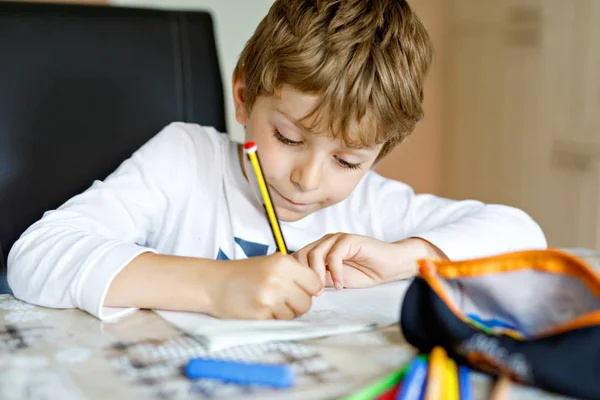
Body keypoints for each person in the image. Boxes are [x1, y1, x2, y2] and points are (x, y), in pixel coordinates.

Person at [7, 0, 546, 322]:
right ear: (243, 97)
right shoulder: (184, 159)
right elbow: (34, 257)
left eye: (348, 160)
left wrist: (404, 257)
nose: (308, 180)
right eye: (287, 137)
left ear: (381, 151)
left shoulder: (375, 207)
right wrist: (215, 287)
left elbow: (523, 236)